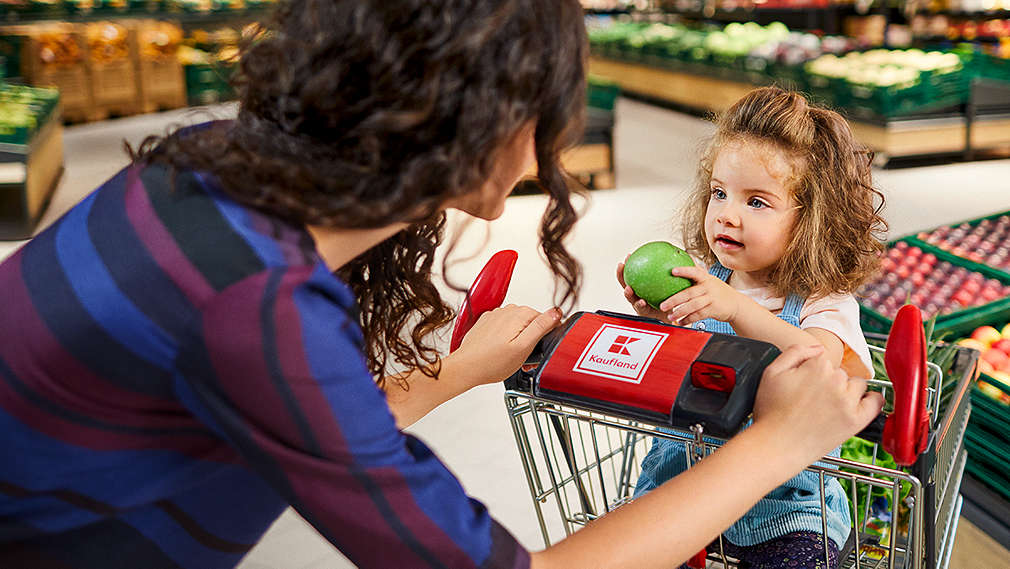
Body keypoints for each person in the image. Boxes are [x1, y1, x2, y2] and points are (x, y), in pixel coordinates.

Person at [0, 2, 882, 568]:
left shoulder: (207, 170)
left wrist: (456, 371)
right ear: (486, 120)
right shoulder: (258, 308)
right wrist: (779, 441)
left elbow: (305, 411)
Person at [617, 87, 889, 568]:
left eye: (757, 202)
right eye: (719, 193)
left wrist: (735, 309)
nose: (727, 213)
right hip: (680, 491)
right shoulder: (705, 283)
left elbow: (821, 366)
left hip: (786, 512)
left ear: (813, 221)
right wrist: (662, 323)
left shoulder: (824, 303)